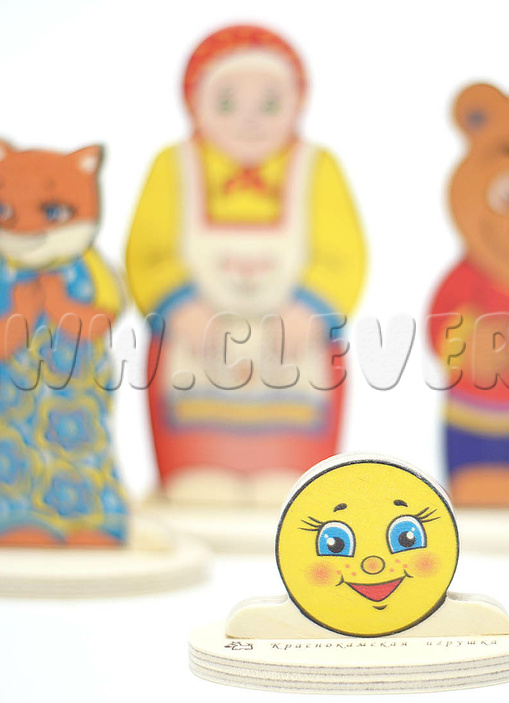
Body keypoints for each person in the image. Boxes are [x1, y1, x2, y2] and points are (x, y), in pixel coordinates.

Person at [125, 25, 367, 506]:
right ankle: (193, 468)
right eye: (228, 104)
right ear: (195, 105)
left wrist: (312, 309)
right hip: (195, 347)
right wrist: (178, 304)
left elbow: (344, 253)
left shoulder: (318, 167)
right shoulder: (173, 166)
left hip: (295, 349)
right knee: (196, 457)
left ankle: (293, 473)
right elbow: (148, 251)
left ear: (297, 104)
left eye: (270, 104)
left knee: (292, 451)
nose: (250, 119)